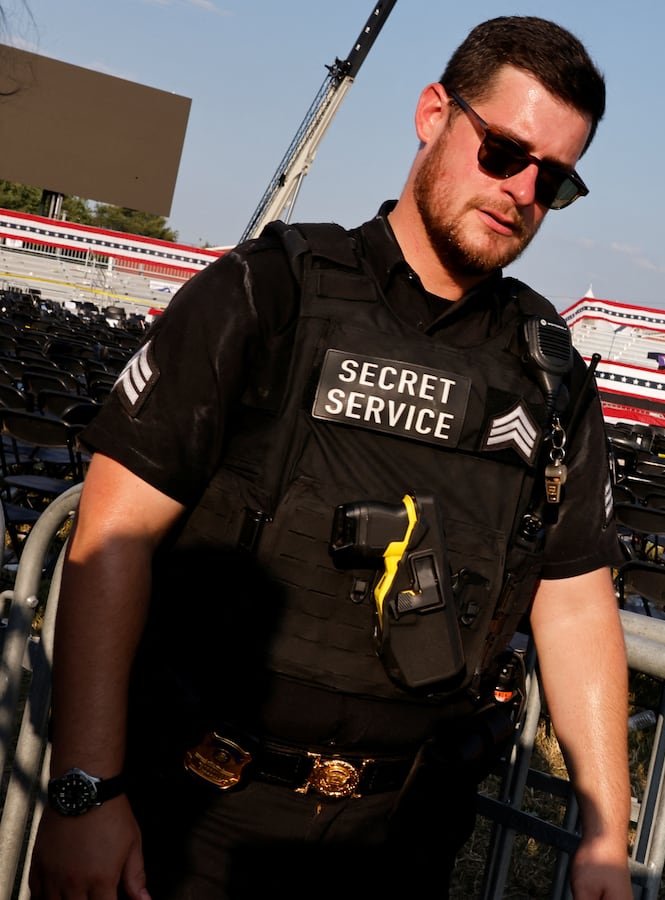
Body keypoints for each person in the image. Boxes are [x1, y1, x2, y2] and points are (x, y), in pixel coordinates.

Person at [29, 17, 631, 900]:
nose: (522, 192)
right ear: (434, 115)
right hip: (190, 822)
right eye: (504, 152)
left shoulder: (549, 372)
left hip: (401, 845)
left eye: (556, 179)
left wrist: (607, 835)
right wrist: (87, 791)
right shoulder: (266, 293)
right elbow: (110, 537)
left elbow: (576, 607)